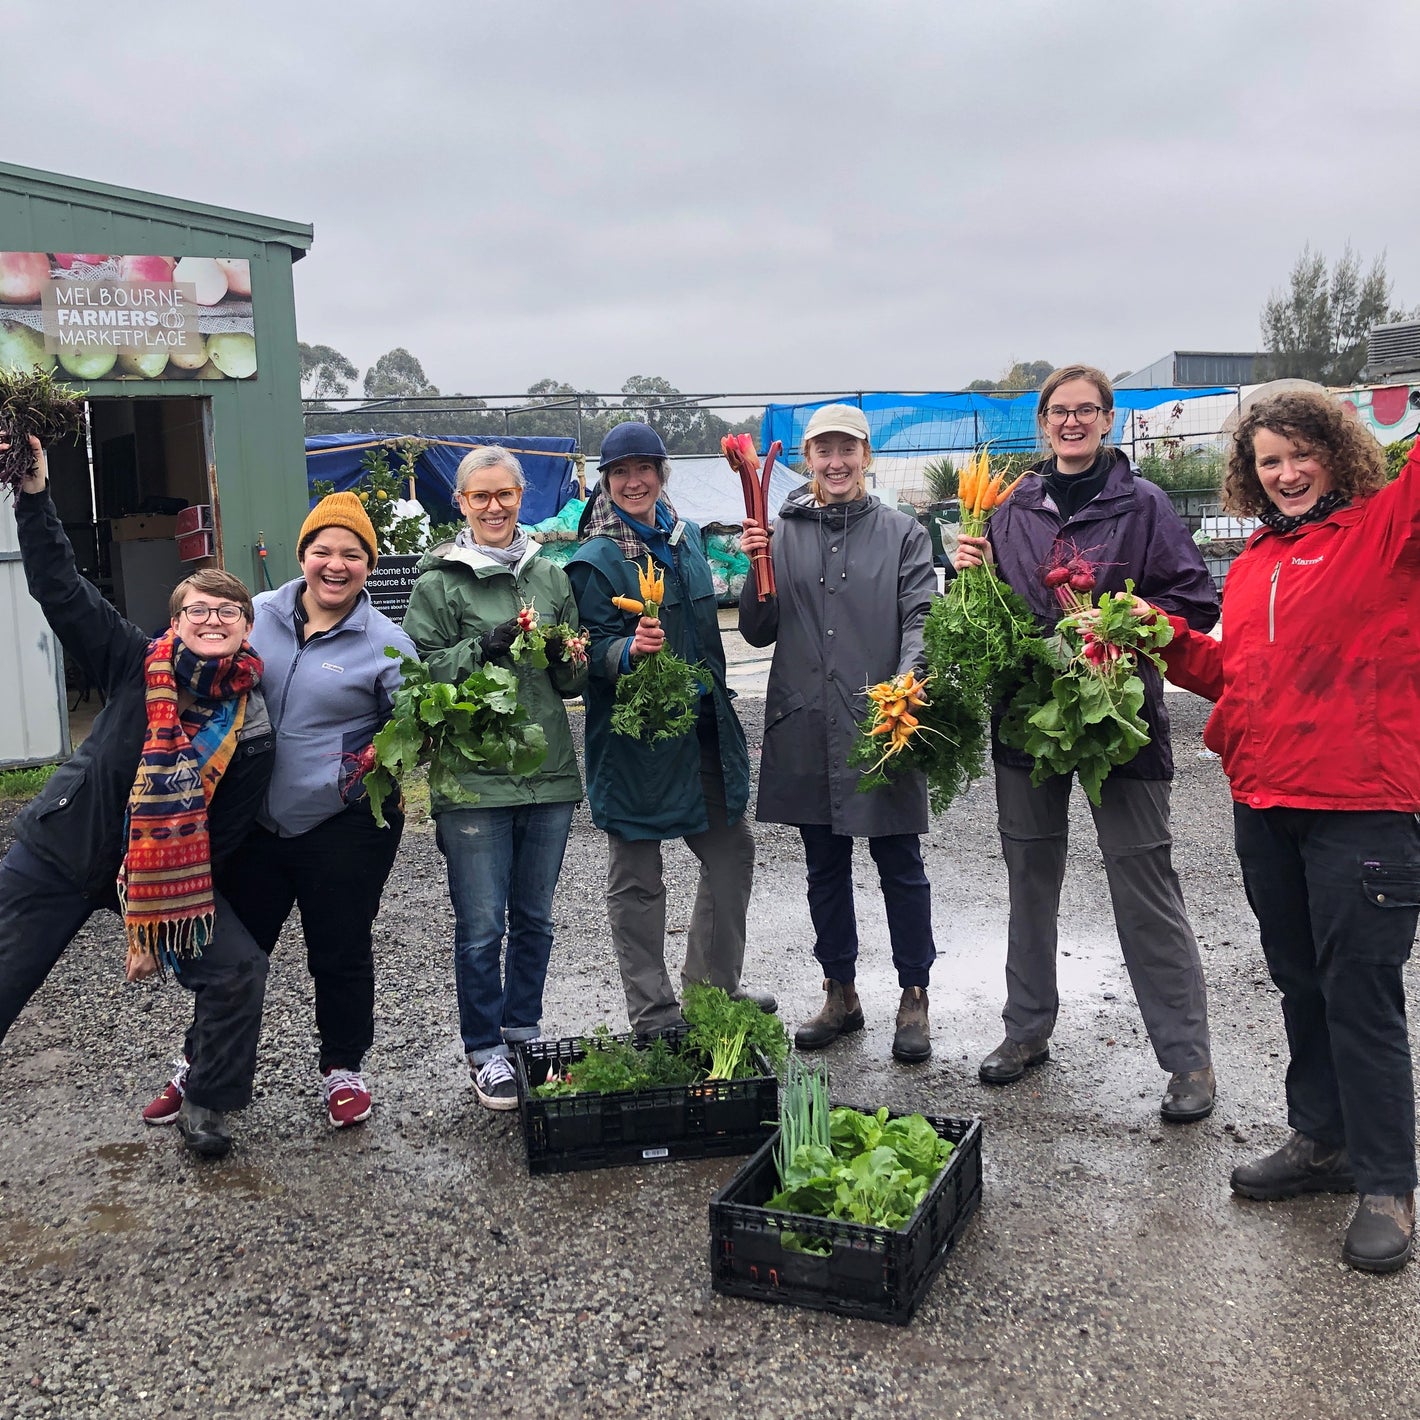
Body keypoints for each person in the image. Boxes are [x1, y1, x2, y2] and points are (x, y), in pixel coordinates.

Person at [1156, 393, 1419, 1272]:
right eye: (1270, 460)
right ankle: (1322, 1141)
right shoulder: (1259, 561)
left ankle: (1387, 1183)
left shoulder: (1387, 534)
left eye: (1302, 454)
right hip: (1267, 802)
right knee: (1300, 980)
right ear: (1251, 473)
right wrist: (1155, 641)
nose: (1287, 472)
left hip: (1361, 805)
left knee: (1361, 991)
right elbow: (1235, 674)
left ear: (1340, 455)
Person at [953, 364, 1221, 1121]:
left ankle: (1188, 1059)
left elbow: (1194, 600)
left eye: (1085, 411)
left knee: (1144, 884)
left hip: (1118, 715)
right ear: (1043, 423)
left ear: (1108, 420)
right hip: (1027, 716)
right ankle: (1026, 1031)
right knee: (1030, 878)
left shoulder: (1143, 503)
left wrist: (1129, 619)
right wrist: (965, 578)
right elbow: (990, 615)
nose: (1071, 423)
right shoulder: (1011, 507)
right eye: (1058, 412)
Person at [0, 436, 274, 1158]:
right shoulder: (132, 661)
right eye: (200, 609)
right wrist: (35, 498)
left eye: (230, 611)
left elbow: (229, 835)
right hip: (62, 851)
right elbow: (59, 587)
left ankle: (209, 1106)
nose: (214, 619)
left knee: (240, 969)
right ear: (175, 622)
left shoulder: (250, 727)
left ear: (246, 629)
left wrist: (153, 913)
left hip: (159, 877)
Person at [144, 491, 413, 1132]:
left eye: (352, 554)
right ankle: (198, 1066)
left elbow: (414, 723)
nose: (336, 564)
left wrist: (384, 755)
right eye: (324, 550)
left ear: (369, 565)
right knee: (235, 954)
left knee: (340, 948)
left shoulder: (387, 641)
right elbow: (191, 659)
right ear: (304, 555)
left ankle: (343, 1067)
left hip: (340, 825)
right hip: (254, 825)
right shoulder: (255, 614)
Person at [739, 404, 939, 1062]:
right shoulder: (781, 533)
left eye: (847, 449)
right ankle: (840, 991)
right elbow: (757, 630)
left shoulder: (904, 533)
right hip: (806, 719)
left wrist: (908, 683)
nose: (836, 461)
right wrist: (754, 570)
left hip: (881, 721)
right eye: (823, 450)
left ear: (866, 456)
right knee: (823, 868)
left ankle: (914, 995)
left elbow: (920, 614)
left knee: (899, 865)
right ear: (808, 456)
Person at [566, 421, 773, 1036]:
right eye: (621, 472)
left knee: (732, 853)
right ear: (607, 481)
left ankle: (711, 990)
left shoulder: (683, 540)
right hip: (635, 743)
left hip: (702, 727)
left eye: (645, 469)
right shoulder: (595, 560)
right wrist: (625, 651)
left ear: (661, 474)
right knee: (637, 879)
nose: (634, 482)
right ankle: (654, 1014)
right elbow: (587, 653)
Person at [402, 446, 588, 1111]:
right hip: (473, 781)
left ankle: (523, 1034)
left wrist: (573, 653)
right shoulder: (440, 582)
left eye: (504, 494)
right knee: (482, 925)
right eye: (479, 497)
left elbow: (569, 682)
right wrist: (482, 645)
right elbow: (419, 674)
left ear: (521, 496)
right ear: (461, 503)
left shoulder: (550, 577)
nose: (493, 506)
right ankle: (484, 1049)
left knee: (535, 919)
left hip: (549, 777)